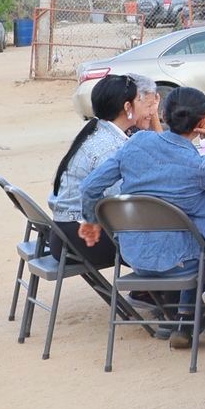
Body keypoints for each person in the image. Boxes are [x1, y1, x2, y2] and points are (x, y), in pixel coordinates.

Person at [80, 87, 205, 348]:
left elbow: (89, 187)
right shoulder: (202, 167)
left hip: (134, 253)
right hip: (183, 261)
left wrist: (91, 219)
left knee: (193, 228)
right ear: (203, 121)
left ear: (163, 114)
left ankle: (184, 317)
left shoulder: (137, 143)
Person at [49, 74, 142, 269]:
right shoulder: (109, 148)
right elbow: (120, 205)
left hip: (65, 232)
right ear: (127, 107)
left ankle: (149, 291)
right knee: (164, 241)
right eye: (140, 101)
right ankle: (158, 294)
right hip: (80, 239)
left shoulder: (100, 131)